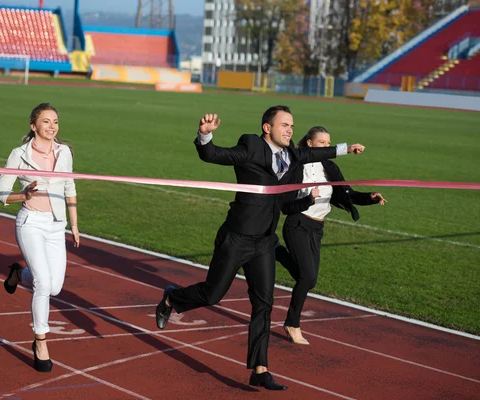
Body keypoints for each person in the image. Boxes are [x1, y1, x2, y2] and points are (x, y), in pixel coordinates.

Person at [155, 106, 365, 389]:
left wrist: (344, 149)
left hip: (265, 241)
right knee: (212, 294)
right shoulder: (251, 146)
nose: (290, 130)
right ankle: (172, 299)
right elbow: (213, 155)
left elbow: (312, 158)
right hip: (237, 237)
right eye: (284, 125)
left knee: (264, 304)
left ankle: (260, 368)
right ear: (267, 128)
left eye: (292, 126)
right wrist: (204, 136)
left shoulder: (292, 156)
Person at [276, 126, 386, 345]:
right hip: (297, 223)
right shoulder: (297, 166)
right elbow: (285, 206)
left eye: (328, 143)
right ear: (309, 144)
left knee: (309, 279)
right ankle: (292, 323)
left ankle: (275, 250)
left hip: (317, 228)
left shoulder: (330, 167)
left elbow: (348, 194)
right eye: (322, 143)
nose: (326, 147)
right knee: (306, 277)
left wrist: (370, 198)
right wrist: (308, 199)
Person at [0, 103, 79, 372]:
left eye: (55, 121)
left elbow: (69, 186)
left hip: (56, 225)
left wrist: (74, 225)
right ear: (34, 126)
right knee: (43, 284)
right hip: (30, 222)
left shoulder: (64, 152)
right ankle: (40, 341)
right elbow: (0, 193)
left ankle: (19, 275)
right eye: (46, 121)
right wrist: (24, 195)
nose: (52, 126)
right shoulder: (18, 154)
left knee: (55, 288)